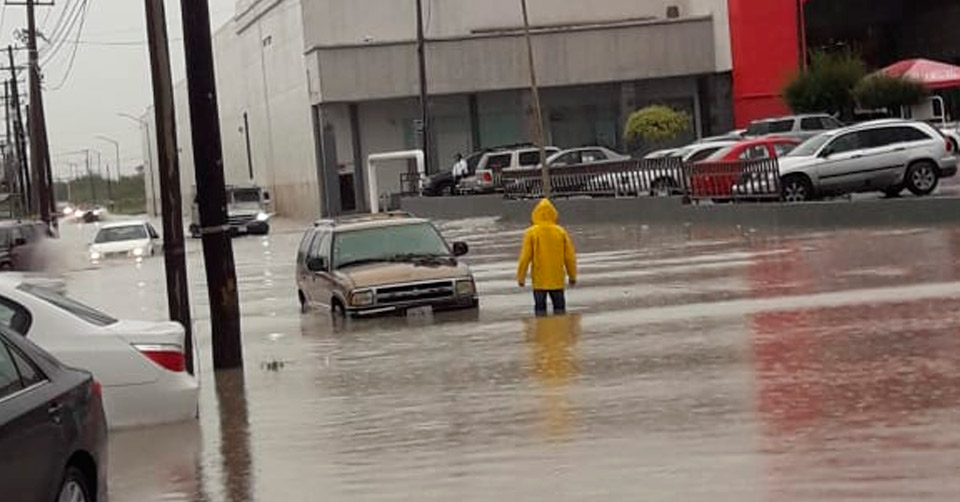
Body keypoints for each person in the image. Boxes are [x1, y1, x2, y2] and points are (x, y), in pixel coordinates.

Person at [516, 199, 578, 316]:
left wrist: (521, 278)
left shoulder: (531, 233)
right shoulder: (561, 232)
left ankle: (541, 327)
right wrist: (572, 276)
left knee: (540, 312)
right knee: (560, 311)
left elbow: (525, 257)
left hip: (539, 281)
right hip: (557, 280)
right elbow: (569, 257)